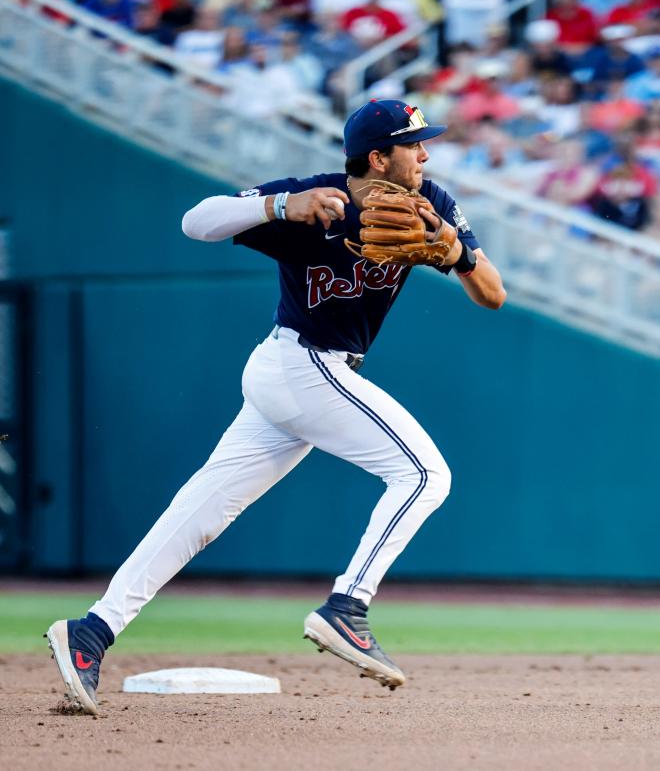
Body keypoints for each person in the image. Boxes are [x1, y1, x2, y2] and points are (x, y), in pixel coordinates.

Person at [45, 100, 507, 715]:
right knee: (424, 475)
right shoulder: (314, 200)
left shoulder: (434, 204)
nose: (425, 154)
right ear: (378, 157)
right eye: (413, 144)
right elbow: (196, 221)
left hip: (304, 375)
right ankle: (348, 608)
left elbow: (493, 295)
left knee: (202, 511)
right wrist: (278, 206)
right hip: (302, 364)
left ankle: (91, 631)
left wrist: (456, 254)